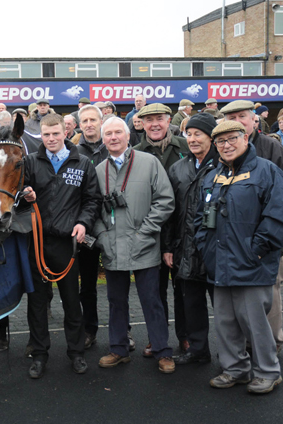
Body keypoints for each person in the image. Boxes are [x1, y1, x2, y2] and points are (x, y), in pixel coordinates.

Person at [194, 121, 283, 394]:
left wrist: (257, 250)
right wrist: (206, 248)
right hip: (220, 264)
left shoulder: (267, 171)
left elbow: (280, 217)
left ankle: (268, 372)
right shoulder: (212, 176)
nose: (226, 145)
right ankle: (235, 369)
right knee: (226, 323)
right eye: (220, 141)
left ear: (245, 137)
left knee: (255, 324)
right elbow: (200, 219)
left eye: (232, 138)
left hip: (252, 264)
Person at [93, 117, 175, 374]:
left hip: (144, 245)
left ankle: (162, 351)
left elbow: (165, 200)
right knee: (116, 301)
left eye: (119, 132)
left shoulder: (149, 163)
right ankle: (118, 349)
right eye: (109, 134)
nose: (114, 137)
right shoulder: (98, 171)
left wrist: (146, 232)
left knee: (152, 300)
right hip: (112, 247)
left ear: (128, 136)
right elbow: (92, 210)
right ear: (103, 139)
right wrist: (102, 237)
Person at [22, 113, 99, 379]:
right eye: (46, 135)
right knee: (37, 303)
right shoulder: (30, 162)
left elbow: (92, 200)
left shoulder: (83, 163)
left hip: (68, 244)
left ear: (65, 132)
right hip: (38, 243)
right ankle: (40, 354)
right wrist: (25, 196)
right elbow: (17, 200)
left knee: (71, 302)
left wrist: (83, 223)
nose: (51, 139)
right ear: (40, 136)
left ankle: (76, 353)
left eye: (56, 133)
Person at [220, 100, 283, 352]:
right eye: (231, 116)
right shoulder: (221, 149)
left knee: (270, 293)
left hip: (265, 241)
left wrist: (265, 239)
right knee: (238, 298)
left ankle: (272, 343)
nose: (237, 120)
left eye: (242, 115)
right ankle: (245, 345)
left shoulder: (270, 147)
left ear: (255, 120)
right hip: (233, 241)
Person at [134, 103, 190, 357]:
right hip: (152, 232)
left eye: (159, 119)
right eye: (149, 120)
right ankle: (157, 337)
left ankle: (186, 336)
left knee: (184, 288)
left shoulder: (186, 147)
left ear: (169, 121)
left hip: (182, 230)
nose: (154, 124)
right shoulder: (134, 153)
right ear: (142, 124)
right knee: (154, 291)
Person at [163, 113, 218, 365]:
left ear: (211, 137)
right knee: (192, 305)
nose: (193, 139)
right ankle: (198, 351)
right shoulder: (178, 168)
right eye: (189, 134)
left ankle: (235, 353)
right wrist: (168, 247)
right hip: (185, 249)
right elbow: (170, 213)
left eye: (199, 134)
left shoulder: (224, 165)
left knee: (225, 309)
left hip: (217, 251)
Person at [70, 104, 108, 350]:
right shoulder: (72, 151)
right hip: (86, 230)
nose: (89, 124)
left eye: (93, 119)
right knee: (87, 285)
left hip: (113, 225)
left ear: (101, 121)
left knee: (119, 283)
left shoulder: (113, 146)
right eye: (84, 120)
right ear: (79, 124)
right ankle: (89, 329)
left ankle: (123, 331)